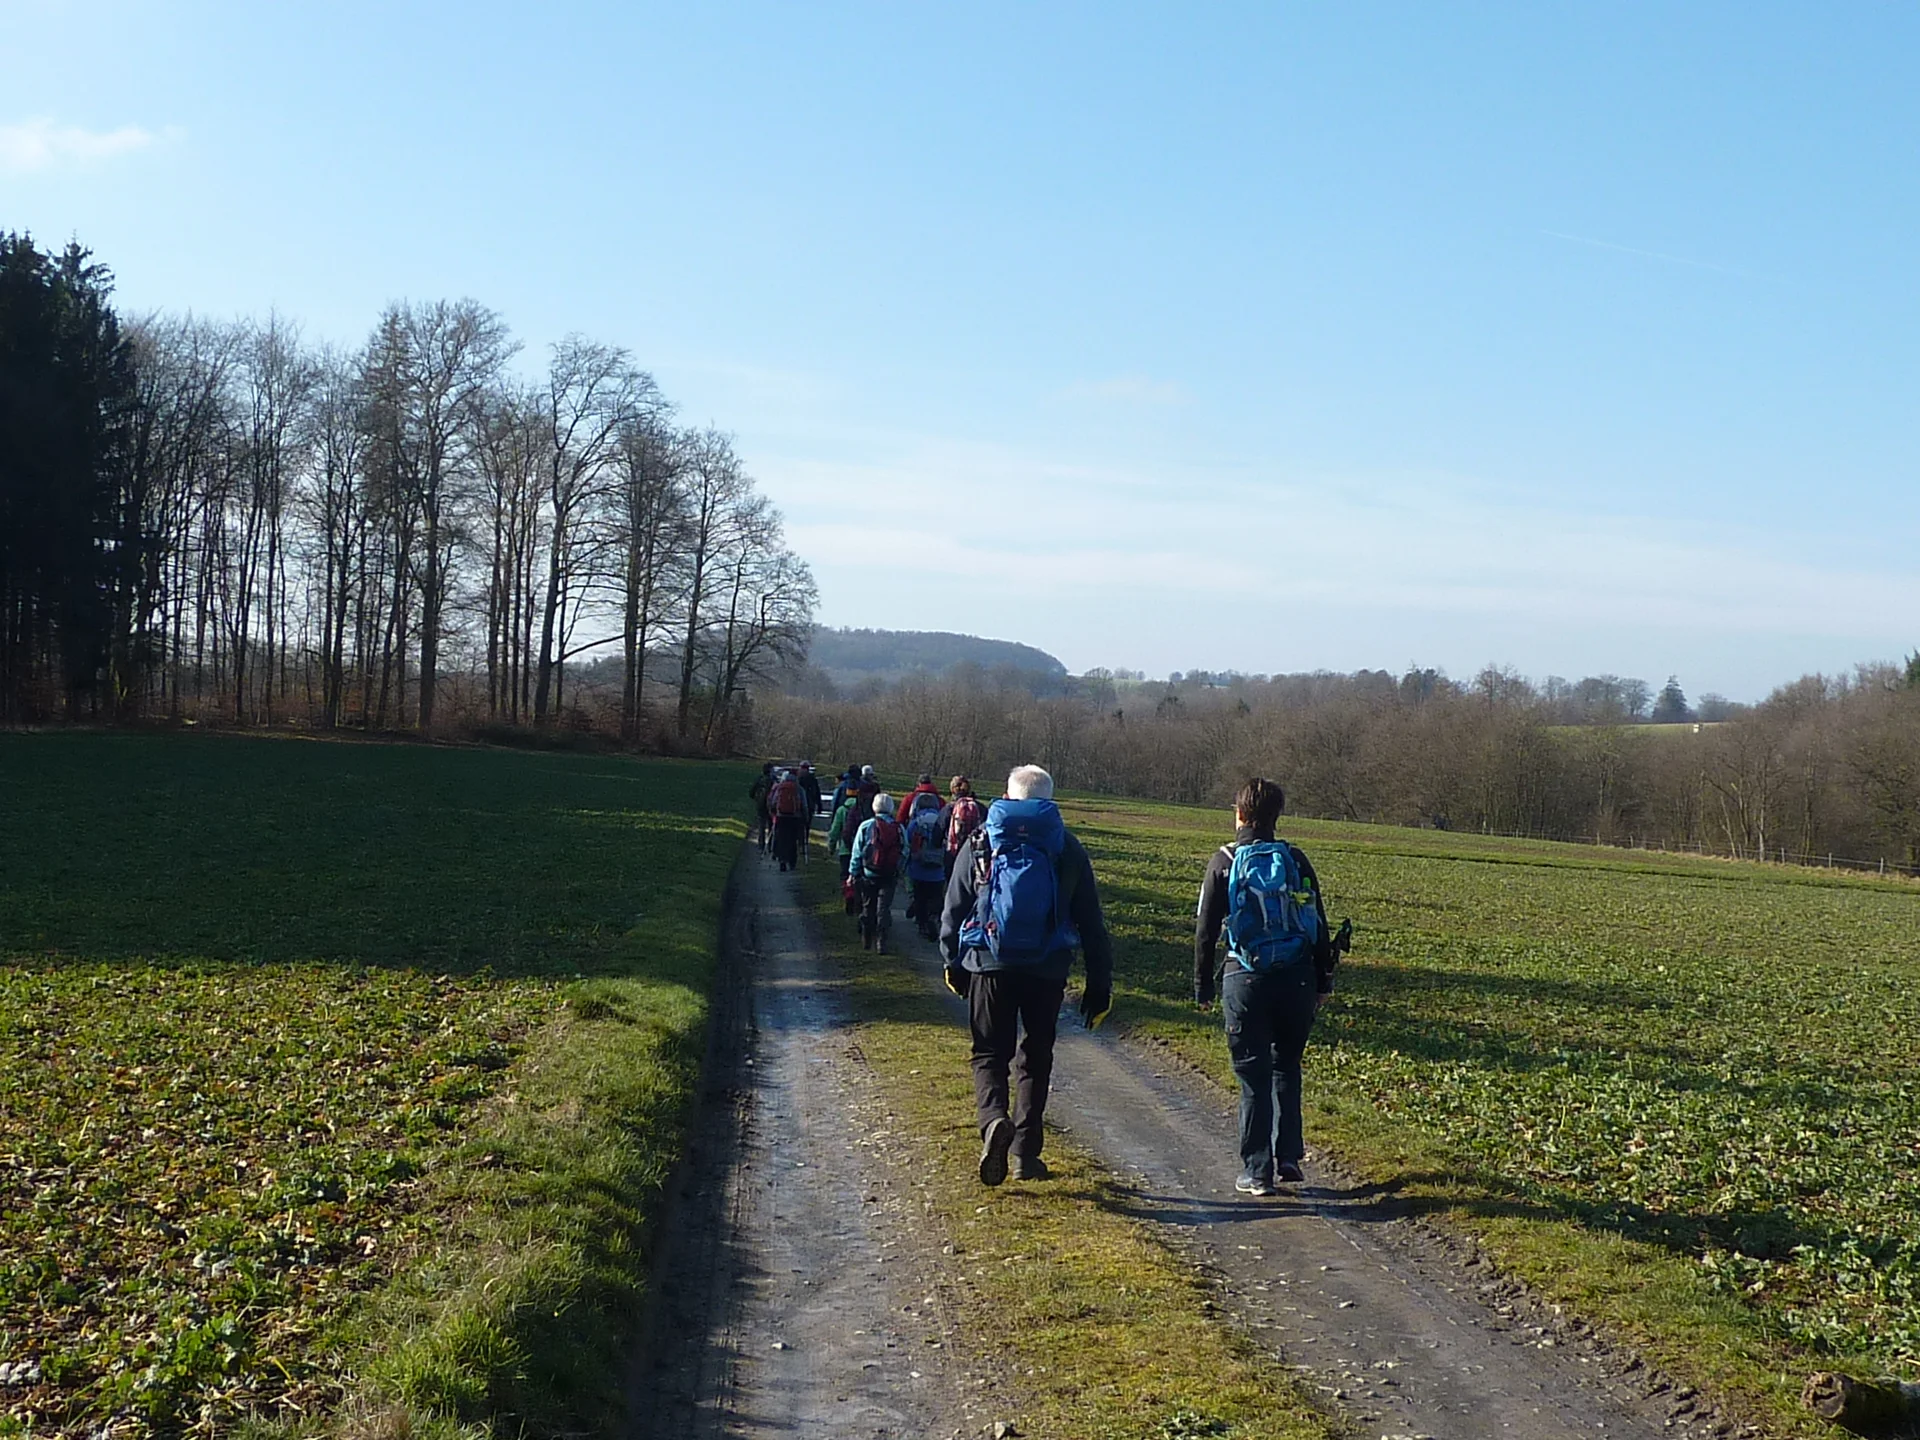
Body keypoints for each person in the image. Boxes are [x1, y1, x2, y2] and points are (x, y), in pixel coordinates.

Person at [940, 764, 1112, 1186]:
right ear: (1049, 802)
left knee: (988, 1052)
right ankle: (1024, 1155)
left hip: (989, 962)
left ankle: (994, 1119)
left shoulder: (982, 840)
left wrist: (952, 962)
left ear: (1008, 796)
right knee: (1036, 1057)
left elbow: (954, 907)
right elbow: (1091, 922)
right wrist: (1099, 984)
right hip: (1047, 969)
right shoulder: (1066, 848)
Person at [1193, 777, 1336, 1197]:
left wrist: (1202, 986)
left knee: (1253, 1075)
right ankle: (1288, 1156)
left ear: (1238, 814)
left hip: (1245, 978)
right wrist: (1323, 980)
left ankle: (1257, 1171)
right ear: (1277, 816)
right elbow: (1319, 923)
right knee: (1287, 1065)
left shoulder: (1222, 861)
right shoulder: (1295, 858)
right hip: (1297, 977)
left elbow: (1205, 931)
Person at [848, 792, 905, 953]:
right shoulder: (898, 827)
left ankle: (867, 938)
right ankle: (882, 941)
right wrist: (899, 869)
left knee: (868, 906)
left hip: (869, 873)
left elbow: (857, 852)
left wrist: (853, 873)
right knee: (884, 908)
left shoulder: (866, 826)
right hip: (889, 874)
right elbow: (905, 850)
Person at [902, 791, 947, 941]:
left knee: (920, 897)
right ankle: (933, 916)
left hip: (918, 869)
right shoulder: (942, 821)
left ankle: (922, 925)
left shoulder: (916, 822)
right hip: (938, 870)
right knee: (935, 896)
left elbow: (907, 844)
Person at [937, 775, 985, 879]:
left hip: (952, 853)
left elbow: (938, 832)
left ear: (952, 790)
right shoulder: (981, 808)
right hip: (974, 852)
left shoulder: (949, 809)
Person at [767, 768, 809, 872]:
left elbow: (774, 801)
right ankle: (792, 862)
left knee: (782, 838)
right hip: (795, 817)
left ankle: (782, 860)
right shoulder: (798, 788)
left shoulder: (781, 787)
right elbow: (804, 804)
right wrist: (805, 817)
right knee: (792, 839)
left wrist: (773, 811)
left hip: (781, 816)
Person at [827, 785, 863, 885]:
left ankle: (848, 896)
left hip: (845, 849)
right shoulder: (863, 809)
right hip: (861, 849)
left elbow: (835, 830)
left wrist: (831, 846)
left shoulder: (841, 810)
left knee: (845, 875)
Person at [747, 762, 775, 852]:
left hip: (760, 805)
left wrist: (757, 798)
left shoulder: (759, 779)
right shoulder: (773, 780)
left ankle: (761, 845)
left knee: (761, 826)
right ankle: (770, 846)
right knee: (771, 826)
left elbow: (751, 792)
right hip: (771, 806)